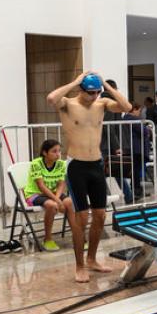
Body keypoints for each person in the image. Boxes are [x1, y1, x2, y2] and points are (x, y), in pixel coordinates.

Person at [47, 72, 131, 282]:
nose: (94, 96)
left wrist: (106, 86)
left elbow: (127, 106)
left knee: (101, 215)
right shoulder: (67, 103)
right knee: (81, 218)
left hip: (96, 164)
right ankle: (79, 265)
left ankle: (92, 259)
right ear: (81, 90)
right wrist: (75, 81)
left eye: (97, 92)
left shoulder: (101, 103)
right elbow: (51, 98)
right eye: (90, 92)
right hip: (76, 166)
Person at [23, 139, 74, 251]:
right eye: (54, 151)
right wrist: (58, 201)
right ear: (45, 153)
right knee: (52, 205)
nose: (58, 154)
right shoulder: (36, 163)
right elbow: (41, 186)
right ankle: (48, 239)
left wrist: (58, 198)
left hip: (53, 193)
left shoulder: (61, 164)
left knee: (69, 202)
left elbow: (61, 185)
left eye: (59, 151)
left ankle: (78, 237)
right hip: (35, 194)